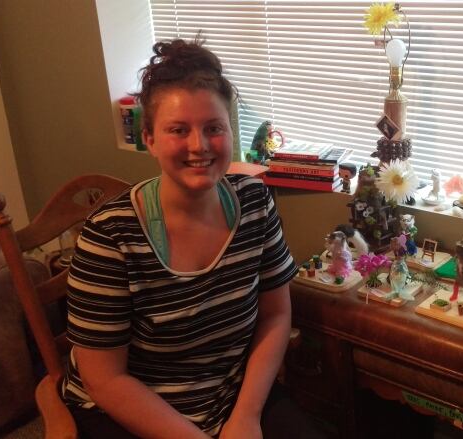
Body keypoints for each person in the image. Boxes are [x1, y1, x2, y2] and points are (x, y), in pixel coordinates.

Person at [60, 37, 298, 439]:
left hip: (231, 398)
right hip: (132, 410)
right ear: (149, 138)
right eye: (178, 130)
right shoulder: (110, 236)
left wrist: (246, 417)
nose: (198, 145)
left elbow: (276, 316)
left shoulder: (255, 202)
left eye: (213, 128)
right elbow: (106, 380)